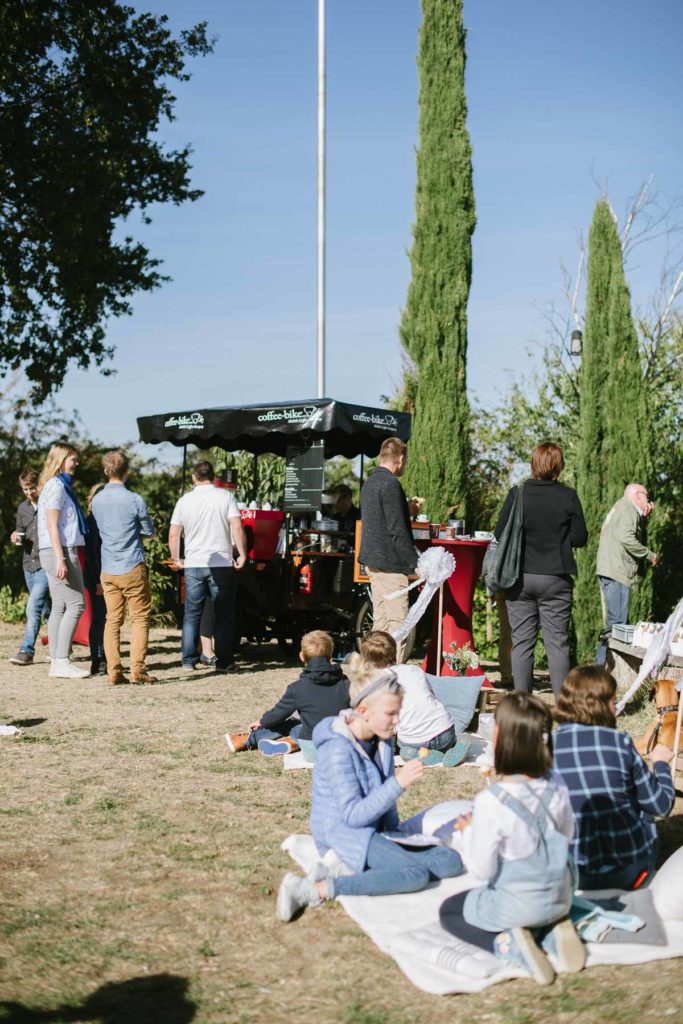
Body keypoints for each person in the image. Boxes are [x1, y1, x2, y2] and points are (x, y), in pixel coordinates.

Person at [276, 659, 464, 921]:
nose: (397, 721)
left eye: (398, 712)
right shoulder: (337, 750)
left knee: (449, 861)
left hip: (374, 830)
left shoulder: (383, 740)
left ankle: (345, 869)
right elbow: (352, 816)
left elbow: (384, 799)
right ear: (363, 710)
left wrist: (395, 834)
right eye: (391, 713)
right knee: (415, 875)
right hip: (344, 833)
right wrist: (398, 784)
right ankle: (313, 888)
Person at [439, 692, 583, 986]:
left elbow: (482, 870)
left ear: (502, 738)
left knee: (450, 911)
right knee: (536, 905)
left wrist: (468, 833)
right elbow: (569, 834)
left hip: (517, 903)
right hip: (561, 896)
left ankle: (509, 945)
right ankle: (551, 930)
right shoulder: (557, 782)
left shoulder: (493, 801)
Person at [553, 665, 674, 891]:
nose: (616, 708)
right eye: (613, 701)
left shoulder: (545, 747)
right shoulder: (620, 744)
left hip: (569, 871)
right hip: (628, 871)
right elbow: (661, 805)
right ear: (601, 705)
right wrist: (660, 763)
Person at [495, 442, 587, 698]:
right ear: (559, 466)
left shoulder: (518, 493)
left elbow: (500, 533)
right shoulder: (568, 496)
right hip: (556, 578)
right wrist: (558, 538)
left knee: (522, 643)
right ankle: (561, 704)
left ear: (533, 464)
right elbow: (580, 538)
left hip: (519, 578)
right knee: (557, 644)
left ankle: (523, 703)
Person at [169, 459, 248, 673]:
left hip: (193, 563)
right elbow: (237, 527)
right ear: (213, 477)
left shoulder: (184, 500)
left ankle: (188, 660)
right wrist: (241, 554)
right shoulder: (225, 496)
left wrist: (176, 558)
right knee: (223, 614)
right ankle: (223, 661)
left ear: (194, 477)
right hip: (221, 563)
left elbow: (174, 532)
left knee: (192, 613)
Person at [225, 630, 350, 755]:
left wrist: (262, 722)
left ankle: (248, 740)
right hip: (340, 747)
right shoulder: (346, 684)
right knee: (309, 724)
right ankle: (290, 743)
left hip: (312, 749)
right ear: (330, 658)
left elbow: (278, 714)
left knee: (291, 725)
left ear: (301, 656)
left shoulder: (298, 688)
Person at [358, 630, 471, 766]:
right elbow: (430, 695)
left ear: (367, 662)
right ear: (395, 650)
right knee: (447, 736)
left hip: (415, 742)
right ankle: (456, 744)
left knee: (402, 747)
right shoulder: (414, 670)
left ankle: (417, 754)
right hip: (445, 732)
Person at [91, 452, 156, 685]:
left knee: (112, 620)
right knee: (140, 618)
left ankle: (114, 671)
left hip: (108, 568)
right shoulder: (135, 499)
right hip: (132, 565)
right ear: (126, 471)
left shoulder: (96, 501)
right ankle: (137, 670)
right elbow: (149, 531)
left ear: (106, 471)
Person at [359, 437, 417, 663]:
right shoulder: (391, 485)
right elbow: (397, 531)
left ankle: (373, 673)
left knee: (380, 625)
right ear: (400, 459)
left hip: (373, 560)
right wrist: (414, 564)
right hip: (391, 564)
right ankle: (394, 678)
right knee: (399, 625)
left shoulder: (370, 483)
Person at [37, 443, 89, 679]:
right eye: (72, 459)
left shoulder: (53, 485)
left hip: (51, 549)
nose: (76, 463)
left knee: (59, 605)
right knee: (77, 604)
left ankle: (57, 661)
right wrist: (61, 558)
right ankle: (61, 661)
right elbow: (52, 524)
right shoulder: (57, 487)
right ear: (60, 460)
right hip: (60, 550)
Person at [595, 484, 658, 664]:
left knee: (615, 623)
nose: (648, 501)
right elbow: (627, 538)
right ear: (638, 497)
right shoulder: (629, 509)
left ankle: (600, 669)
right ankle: (599, 670)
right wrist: (649, 554)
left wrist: (643, 519)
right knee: (618, 624)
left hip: (609, 569)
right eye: (646, 496)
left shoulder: (620, 507)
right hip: (618, 570)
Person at [9, 468, 51, 666]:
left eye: (31, 488)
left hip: (45, 563)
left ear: (38, 485)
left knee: (33, 607)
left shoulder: (48, 505)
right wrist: (15, 536)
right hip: (28, 564)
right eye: (25, 489)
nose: (29, 492)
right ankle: (61, 645)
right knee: (46, 610)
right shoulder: (22, 509)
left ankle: (26, 651)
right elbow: (20, 531)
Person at [83, 483, 107, 676]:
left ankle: (106, 658)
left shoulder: (106, 521)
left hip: (109, 575)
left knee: (108, 619)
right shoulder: (91, 522)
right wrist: (98, 580)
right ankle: (97, 659)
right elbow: (92, 554)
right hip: (96, 576)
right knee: (100, 619)